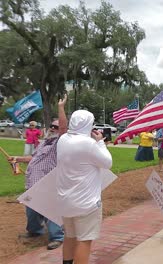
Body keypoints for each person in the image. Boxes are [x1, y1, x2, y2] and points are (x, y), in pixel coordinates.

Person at [10, 95, 68, 250]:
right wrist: (17, 158)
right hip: (33, 182)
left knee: (50, 209)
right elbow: (33, 158)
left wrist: (61, 107)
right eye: (51, 126)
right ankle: (35, 231)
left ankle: (57, 237)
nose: (53, 128)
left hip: (49, 182)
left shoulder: (60, 143)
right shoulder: (43, 143)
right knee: (31, 209)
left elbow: (63, 129)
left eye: (56, 127)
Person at [56, 109, 113, 264]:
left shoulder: (62, 140)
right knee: (84, 240)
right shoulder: (89, 144)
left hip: (65, 200)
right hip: (86, 203)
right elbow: (107, 162)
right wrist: (100, 142)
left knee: (70, 235)